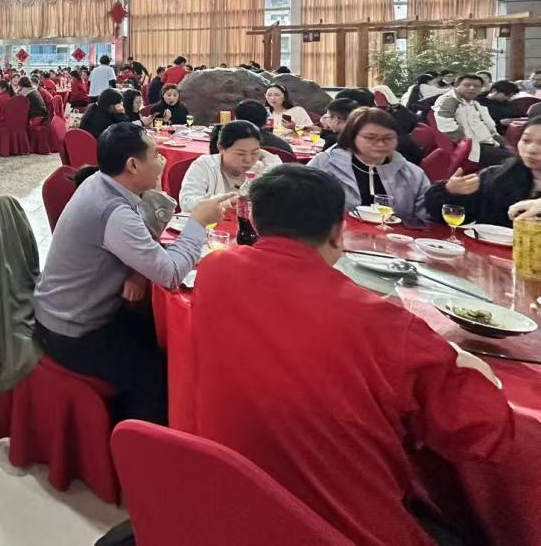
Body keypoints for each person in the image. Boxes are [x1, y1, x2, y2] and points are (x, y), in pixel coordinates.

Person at [192, 165, 529, 546]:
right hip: (344, 528)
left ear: (254, 218)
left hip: (234, 500)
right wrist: (473, 368)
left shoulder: (215, 270)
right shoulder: (380, 322)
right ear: (339, 230)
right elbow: (480, 434)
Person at [33, 122, 231, 422]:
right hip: (72, 331)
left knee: (160, 339)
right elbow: (170, 274)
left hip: (68, 311)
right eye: (156, 155)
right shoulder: (113, 210)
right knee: (158, 375)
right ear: (133, 165)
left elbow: (142, 240)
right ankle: (136, 441)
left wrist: (139, 272)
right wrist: (198, 223)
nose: (162, 160)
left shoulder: (101, 182)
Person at [306, 106, 430, 223]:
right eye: (370, 138)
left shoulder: (412, 174)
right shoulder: (324, 165)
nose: (380, 144)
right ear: (352, 137)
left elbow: (425, 221)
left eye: (388, 138)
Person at [426, 116, 541, 227]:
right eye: (526, 140)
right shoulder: (497, 176)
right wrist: (450, 192)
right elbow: (455, 217)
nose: (531, 149)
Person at [179, 121, 280, 212]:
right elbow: (187, 203)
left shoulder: (262, 169)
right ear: (221, 148)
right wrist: (228, 202)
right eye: (240, 154)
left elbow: (280, 199)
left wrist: (269, 158)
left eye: (254, 152)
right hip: (210, 225)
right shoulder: (204, 165)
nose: (248, 160)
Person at [433, 74, 510, 166]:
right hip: (473, 148)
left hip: (488, 143)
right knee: (513, 161)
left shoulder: (474, 103)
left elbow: (488, 126)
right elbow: (446, 127)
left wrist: (501, 141)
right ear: (456, 86)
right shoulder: (449, 101)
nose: (472, 88)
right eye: (467, 85)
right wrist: (467, 144)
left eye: (476, 86)